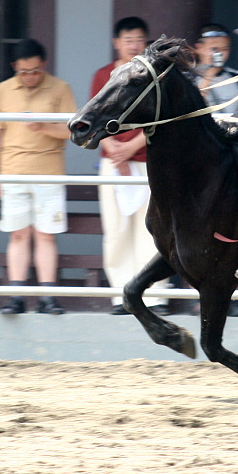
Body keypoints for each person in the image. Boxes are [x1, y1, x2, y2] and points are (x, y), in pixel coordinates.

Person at [0, 39, 77, 315]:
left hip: (48, 171)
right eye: (24, 71)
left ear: (44, 65)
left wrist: (43, 126)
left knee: (46, 236)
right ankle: (17, 295)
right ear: (15, 67)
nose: (30, 77)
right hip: (12, 170)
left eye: (35, 71)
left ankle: (48, 296)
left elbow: (73, 131)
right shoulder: (2, 90)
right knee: (18, 235)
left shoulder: (60, 88)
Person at [90, 17, 166, 315]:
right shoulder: (102, 75)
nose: (133, 45)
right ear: (116, 42)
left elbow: (159, 120)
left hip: (149, 161)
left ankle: (154, 297)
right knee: (116, 230)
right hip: (113, 163)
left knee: (151, 230)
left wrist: (131, 149)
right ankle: (121, 294)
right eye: (128, 39)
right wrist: (115, 152)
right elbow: (93, 118)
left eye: (139, 39)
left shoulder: (154, 75)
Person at [193, 24, 238, 111]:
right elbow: (191, 106)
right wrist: (209, 76)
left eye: (224, 49)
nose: (220, 54)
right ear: (199, 48)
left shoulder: (237, 78)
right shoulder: (187, 77)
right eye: (214, 49)